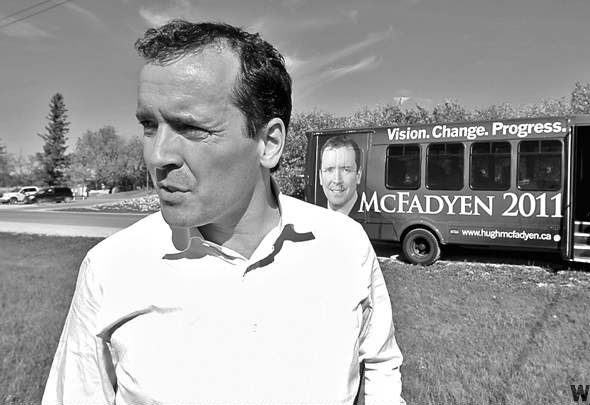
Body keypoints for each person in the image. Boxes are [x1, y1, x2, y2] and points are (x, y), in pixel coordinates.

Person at [42, 20, 405, 405]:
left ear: (269, 143)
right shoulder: (110, 268)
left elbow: (380, 365)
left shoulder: (344, 245)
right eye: (149, 125)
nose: (158, 156)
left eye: (191, 128)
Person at [320, 135, 362, 215]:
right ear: (320, 176)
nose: (337, 180)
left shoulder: (377, 222)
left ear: (358, 175)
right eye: (329, 170)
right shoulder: (310, 219)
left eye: (346, 170)